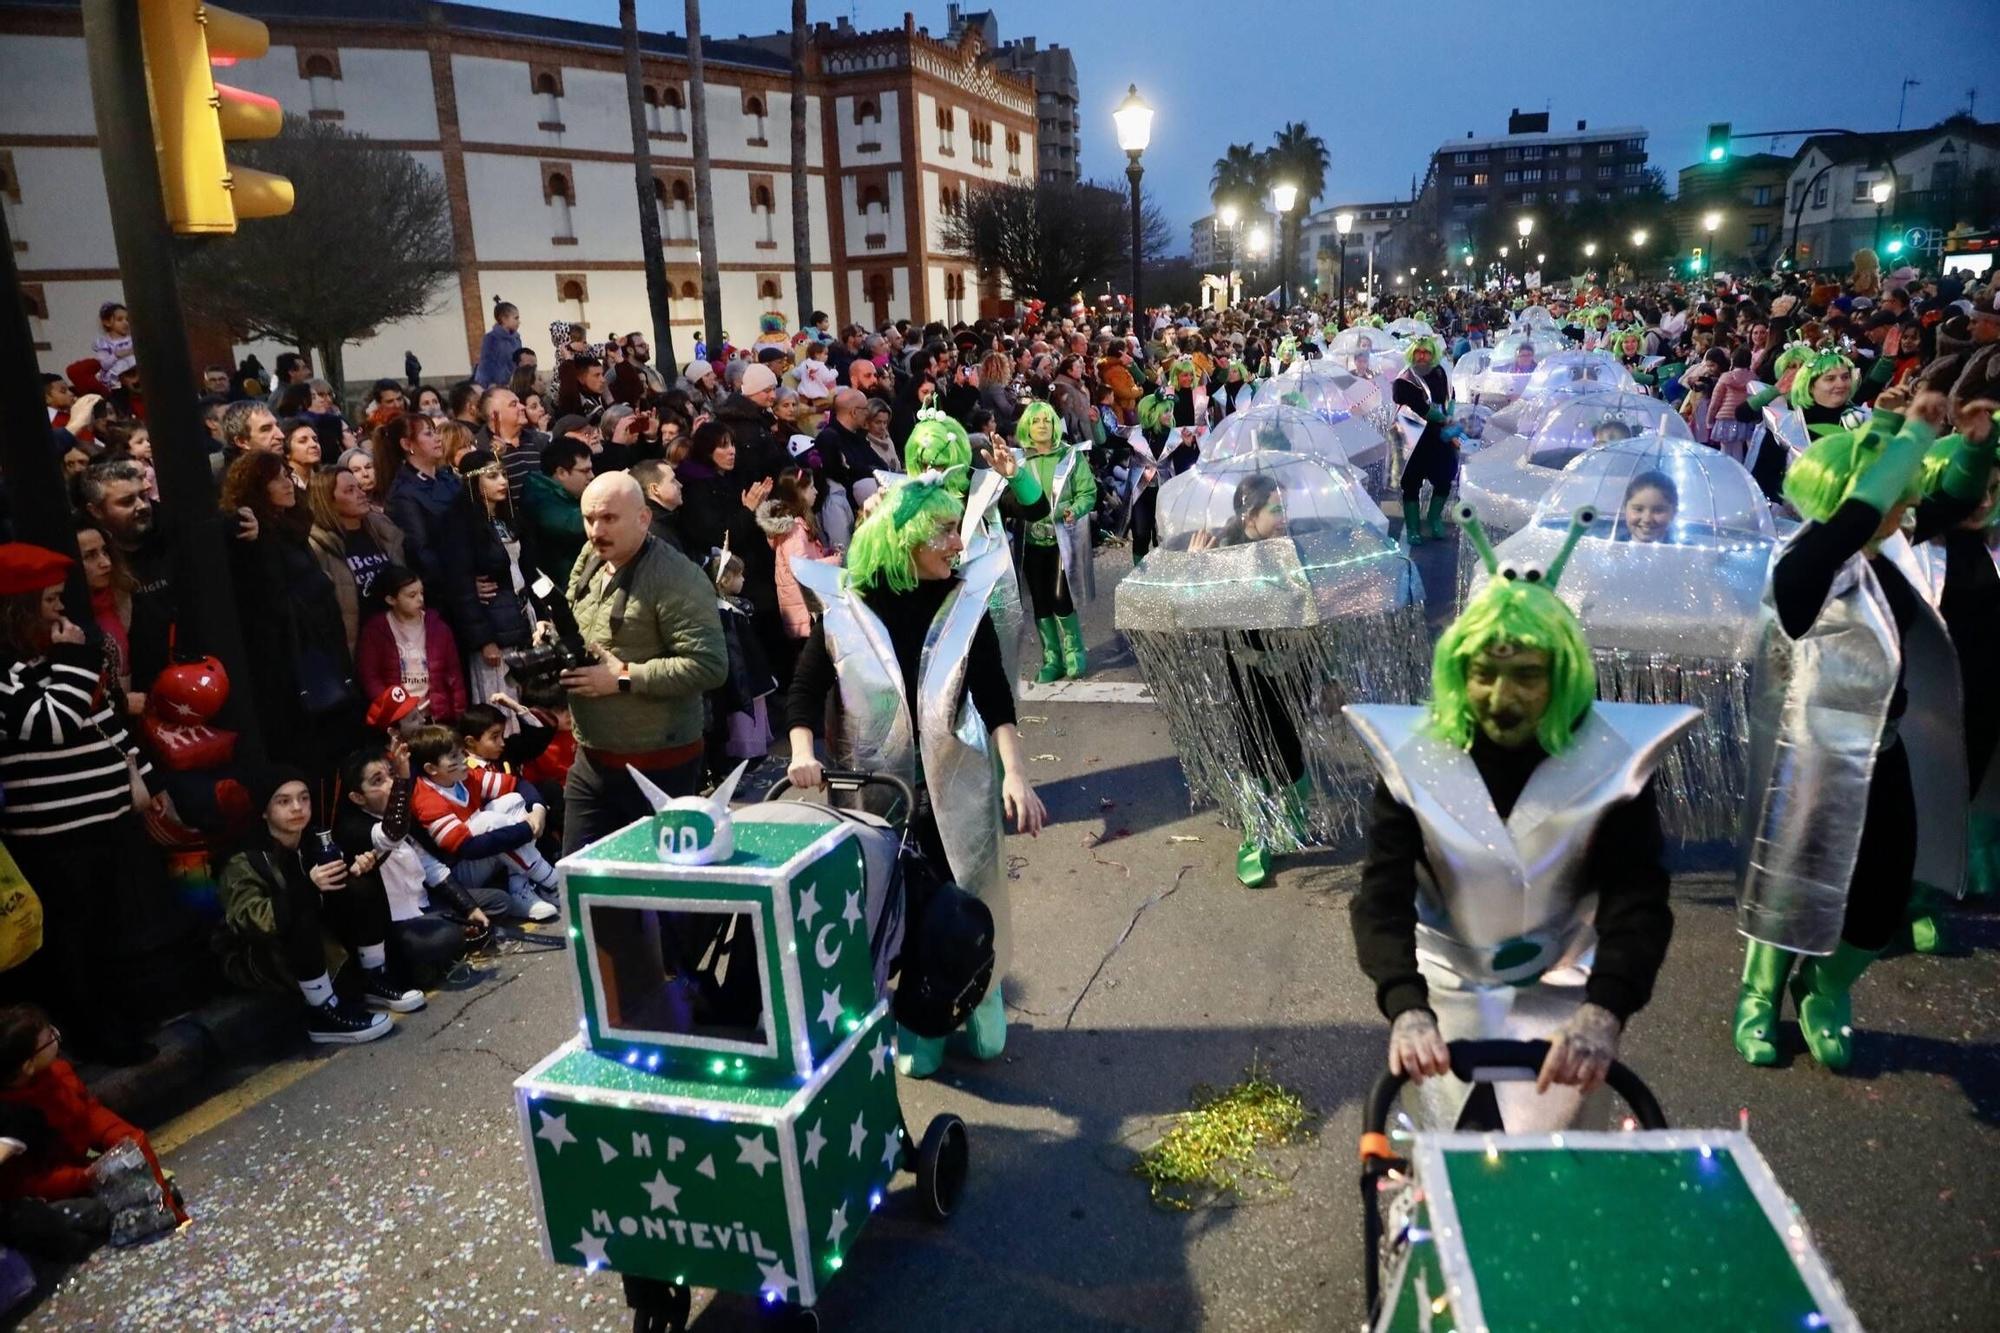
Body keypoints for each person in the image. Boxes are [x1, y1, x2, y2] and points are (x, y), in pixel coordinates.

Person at [1347, 507, 1691, 1130]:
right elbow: (1383, 891)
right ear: (1459, 670)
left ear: (1562, 674)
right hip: (1443, 987)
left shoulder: (1611, 759)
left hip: (1566, 993)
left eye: (1527, 676)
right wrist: (1404, 1003)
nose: (1502, 699)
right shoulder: (1414, 755)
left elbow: (1636, 894)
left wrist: (1605, 1009)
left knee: (1556, 1166)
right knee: (1447, 1157)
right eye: (1484, 673)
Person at [1733, 388, 1980, 1071]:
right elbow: (1851, 523)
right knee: (1789, 884)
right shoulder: (1803, 564)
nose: (1908, 505)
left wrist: (1977, 441)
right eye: (1897, 493)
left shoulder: (1896, 548)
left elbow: (1957, 500)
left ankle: (1827, 985)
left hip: (1886, 749)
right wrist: (1905, 441)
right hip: (1811, 753)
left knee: (1880, 901)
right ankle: (1759, 994)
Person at [786, 478, 1048, 1077]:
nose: (957, 542)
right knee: (891, 906)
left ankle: (978, 995)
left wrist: (1016, 775)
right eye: (944, 531)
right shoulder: (845, 611)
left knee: (969, 892)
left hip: (958, 784)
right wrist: (801, 752)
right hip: (875, 791)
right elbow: (804, 693)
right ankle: (915, 1014)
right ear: (903, 540)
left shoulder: (964, 603)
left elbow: (994, 695)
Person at [0, 545, 169, 1065]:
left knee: (110, 930)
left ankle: (123, 1019)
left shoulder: (52, 660)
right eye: (49, 601)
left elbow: (102, 719)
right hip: (56, 835)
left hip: (107, 819)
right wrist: (77, 657)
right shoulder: (9, 674)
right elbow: (53, 723)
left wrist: (146, 773)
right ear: (19, 610)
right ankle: (97, 1036)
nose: (59, 611)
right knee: (75, 945)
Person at [559, 473, 728, 851]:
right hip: (591, 758)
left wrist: (622, 677)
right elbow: (579, 617)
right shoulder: (591, 555)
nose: (595, 531)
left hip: (658, 766)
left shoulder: (676, 577)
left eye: (608, 518)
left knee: (658, 897)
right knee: (582, 882)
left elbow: (710, 666)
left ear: (643, 518)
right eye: (589, 519)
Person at [217, 767, 421, 1042]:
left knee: (359, 882)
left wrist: (357, 869)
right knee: (300, 903)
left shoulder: (315, 840)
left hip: (317, 939)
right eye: (283, 801)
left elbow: (336, 895)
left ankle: (374, 978)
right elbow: (249, 920)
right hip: (264, 953)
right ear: (265, 811)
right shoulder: (245, 859)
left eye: (303, 798)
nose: (297, 808)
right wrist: (308, 889)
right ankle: (322, 1013)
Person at [223, 451, 357, 771]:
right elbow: (265, 598)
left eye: (287, 474)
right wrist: (317, 585)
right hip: (289, 661)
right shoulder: (253, 534)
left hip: (321, 643)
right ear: (258, 487)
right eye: (278, 477)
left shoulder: (290, 526)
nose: (288, 483)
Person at [0, 1007, 185, 1229]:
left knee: (142, 1176)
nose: (56, 1038)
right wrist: (85, 1176)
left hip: (75, 1169)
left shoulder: (57, 1073)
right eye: (49, 1039)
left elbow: (88, 1113)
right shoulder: (13, 1117)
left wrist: (121, 1142)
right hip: (42, 1192)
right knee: (90, 1214)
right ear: (28, 1066)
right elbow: (27, 1183)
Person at [334, 741, 505, 966]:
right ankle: (455, 938)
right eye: (378, 781)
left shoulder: (405, 817)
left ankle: (460, 932)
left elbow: (431, 867)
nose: (391, 784)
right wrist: (404, 780)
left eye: (392, 775)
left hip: (426, 904)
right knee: (446, 936)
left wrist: (469, 907)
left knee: (499, 901)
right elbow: (391, 835)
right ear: (358, 797)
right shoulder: (354, 828)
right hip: (397, 922)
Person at [378, 414, 501, 683]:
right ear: (407, 444)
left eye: (436, 432)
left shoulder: (448, 478)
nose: (436, 438)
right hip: (443, 597)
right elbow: (421, 553)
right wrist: (464, 585)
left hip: (471, 583)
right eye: (427, 434)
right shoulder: (404, 494)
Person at [406, 725, 560, 921]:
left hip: (478, 857)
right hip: (458, 873)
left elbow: (518, 784)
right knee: (488, 822)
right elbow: (468, 848)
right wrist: (527, 829)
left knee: (513, 801)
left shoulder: (464, 777)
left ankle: (519, 889)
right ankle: (552, 881)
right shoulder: (426, 798)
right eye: (453, 757)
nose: (463, 760)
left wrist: (538, 810)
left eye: (461, 753)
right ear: (431, 769)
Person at [1014, 400, 1095, 683]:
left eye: (1047, 420)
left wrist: (1072, 509)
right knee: (1040, 602)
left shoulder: (1070, 456)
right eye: (1035, 421)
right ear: (1026, 426)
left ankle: (1074, 653)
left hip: (1063, 540)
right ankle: (1052, 659)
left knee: (1061, 598)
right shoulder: (1019, 461)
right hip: (1031, 543)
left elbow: (1087, 491)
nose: (1042, 426)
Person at [307, 467, 408, 655]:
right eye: (349, 491)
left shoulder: (383, 529)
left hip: (401, 638)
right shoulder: (318, 546)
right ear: (328, 501)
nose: (361, 494)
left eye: (359, 488)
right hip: (358, 647)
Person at [702, 548, 777, 783]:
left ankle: (751, 750)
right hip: (743, 673)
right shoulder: (726, 613)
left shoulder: (734, 608)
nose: (744, 579)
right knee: (743, 717)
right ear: (725, 580)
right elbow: (738, 650)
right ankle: (745, 751)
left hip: (750, 669)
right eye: (739, 575)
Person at [357, 567, 467, 725]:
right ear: (391, 600)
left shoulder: (438, 627)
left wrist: (458, 714)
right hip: (398, 716)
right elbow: (370, 677)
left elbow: (454, 675)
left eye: (421, 593)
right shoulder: (376, 630)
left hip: (435, 715)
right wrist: (396, 709)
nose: (420, 599)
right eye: (412, 595)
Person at [1393, 335, 1462, 546]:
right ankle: (1413, 528)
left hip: (1439, 436)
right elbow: (1419, 407)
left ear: (1433, 354)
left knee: (1444, 477)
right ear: (1412, 353)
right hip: (1412, 438)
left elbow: (1451, 396)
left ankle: (1434, 519)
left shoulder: (1440, 372)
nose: (1422, 356)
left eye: (1426, 352)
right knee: (1411, 483)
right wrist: (1443, 418)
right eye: (1418, 352)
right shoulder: (1404, 378)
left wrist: (1450, 414)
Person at [520, 437, 593, 590]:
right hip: (560, 588)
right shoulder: (537, 497)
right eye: (585, 471)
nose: (591, 476)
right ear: (561, 473)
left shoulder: (569, 493)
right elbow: (572, 525)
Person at [1618, 469, 1678, 544]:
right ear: (1625, 508)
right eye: (1638, 509)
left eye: (1658, 510)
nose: (1647, 519)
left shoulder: (1686, 553)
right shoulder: (1611, 549)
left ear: (1674, 513)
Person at [476, 299, 523, 388]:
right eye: (516, 318)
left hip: (512, 385)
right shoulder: (491, 338)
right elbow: (486, 363)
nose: (519, 322)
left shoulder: (517, 339)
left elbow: (518, 363)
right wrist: (489, 384)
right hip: (494, 385)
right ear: (504, 319)